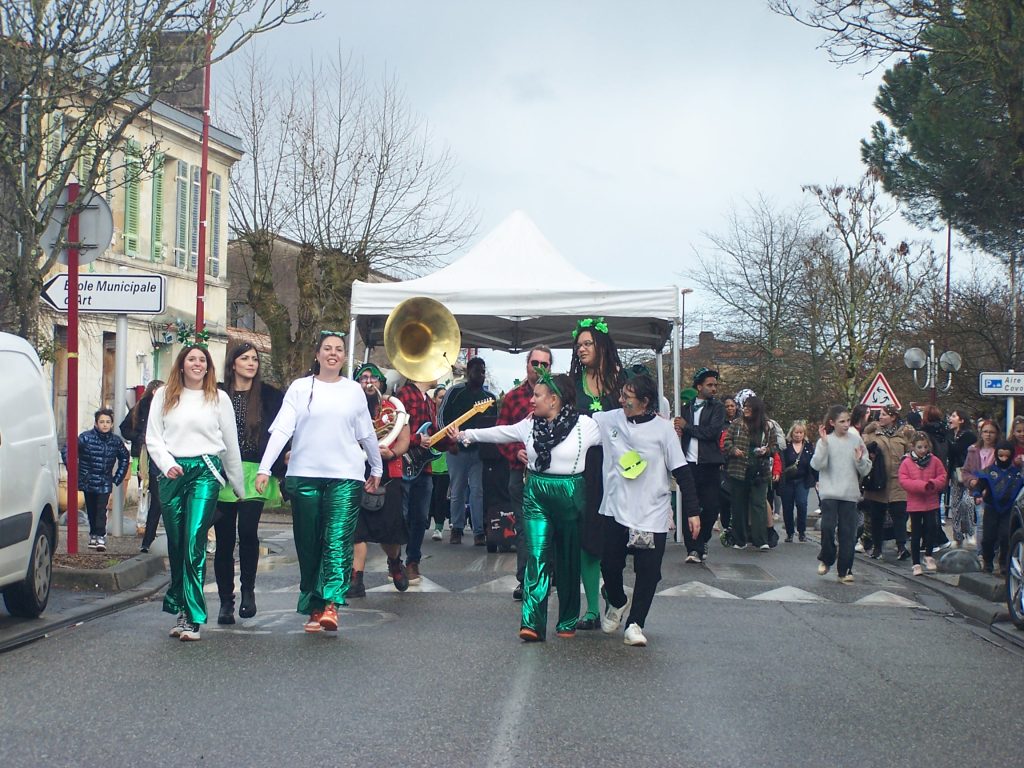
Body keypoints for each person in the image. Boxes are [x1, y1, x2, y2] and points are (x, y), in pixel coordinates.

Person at [452, 368, 600, 640]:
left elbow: (617, 432)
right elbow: (500, 432)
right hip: (536, 491)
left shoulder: (586, 425)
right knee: (536, 556)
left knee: (567, 560)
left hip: (570, 492)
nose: (532, 400)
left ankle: (566, 621)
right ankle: (531, 622)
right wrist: (465, 434)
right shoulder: (530, 424)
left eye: (538, 395)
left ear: (554, 399)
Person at [255, 332, 382, 634]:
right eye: (328, 349)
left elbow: (366, 434)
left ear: (343, 357)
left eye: (339, 350)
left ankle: (331, 604)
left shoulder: (353, 391)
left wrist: (376, 467)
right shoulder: (300, 388)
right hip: (305, 474)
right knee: (309, 542)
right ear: (317, 354)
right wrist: (264, 468)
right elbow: (283, 429)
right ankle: (314, 604)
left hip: (345, 476)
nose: (333, 354)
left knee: (337, 540)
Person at [147, 343, 245, 642]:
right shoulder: (165, 395)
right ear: (181, 364)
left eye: (202, 360)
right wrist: (166, 465)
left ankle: (193, 616)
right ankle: (180, 607)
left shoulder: (219, 398)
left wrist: (239, 486)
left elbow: (230, 442)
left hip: (206, 470)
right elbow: (153, 437)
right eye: (192, 359)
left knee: (193, 541)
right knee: (176, 544)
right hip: (172, 472)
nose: (197, 364)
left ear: (208, 366)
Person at [594, 373, 700, 647]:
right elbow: (577, 423)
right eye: (621, 395)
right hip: (616, 509)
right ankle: (617, 601)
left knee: (648, 571)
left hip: (651, 513)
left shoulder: (663, 430)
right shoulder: (610, 419)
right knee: (609, 564)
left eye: (627, 398)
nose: (620, 401)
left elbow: (682, 472)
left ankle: (635, 624)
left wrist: (692, 511)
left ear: (645, 402)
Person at [213, 343, 285, 624]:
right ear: (233, 363)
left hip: (256, 470)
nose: (251, 363)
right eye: (245, 359)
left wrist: (280, 462)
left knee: (248, 531)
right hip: (223, 471)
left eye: (255, 359)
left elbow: (281, 430)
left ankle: (248, 591)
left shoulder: (269, 395)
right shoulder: (218, 394)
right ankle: (225, 601)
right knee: (224, 539)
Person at [569, 317, 624, 630]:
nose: (582, 349)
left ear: (602, 345)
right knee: (587, 537)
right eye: (579, 345)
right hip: (586, 468)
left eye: (588, 343)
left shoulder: (622, 382)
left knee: (615, 539)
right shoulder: (574, 386)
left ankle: (612, 591)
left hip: (619, 469)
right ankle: (591, 608)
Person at [495, 346, 554, 600]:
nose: (539, 367)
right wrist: (515, 452)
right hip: (520, 473)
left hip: (552, 474)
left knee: (550, 527)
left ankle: (549, 576)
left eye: (545, 364)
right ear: (527, 365)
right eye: (535, 362)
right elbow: (500, 433)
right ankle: (526, 580)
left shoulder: (558, 395)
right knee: (524, 527)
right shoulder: (512, 398)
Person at [349, 363, 411, 597]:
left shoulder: (393, 408)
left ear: (381, 382)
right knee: (357, 529)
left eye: (373, 377)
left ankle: (395, 562)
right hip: (357, 470)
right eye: (363, 378)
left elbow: (403, 439)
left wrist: (392, 453)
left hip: (388, 473)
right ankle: (357, 579)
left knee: (389, 529)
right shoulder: (351, 408)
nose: (368, 382)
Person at [396, 375, 448, 584]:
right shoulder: (405, 394)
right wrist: (418, 440)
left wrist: (449, 437)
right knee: (403, 515)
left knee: (420, 517)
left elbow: (434, 435)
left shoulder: (428, 401)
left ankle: (413, 561)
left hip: (424, 467)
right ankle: (397, 560)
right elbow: (396, 426)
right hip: (406, 463)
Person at [439, 357, 497, 546]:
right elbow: (442, 418)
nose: (480, 375)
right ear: (468, 372)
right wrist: (449, 441)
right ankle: (456, 527)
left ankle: (479, 531)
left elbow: (492, 425)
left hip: (478, 452)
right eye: (477, 371)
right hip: (456, 450)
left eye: (483, 371)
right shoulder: (454, 392)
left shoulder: (489, 398)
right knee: (457, 490)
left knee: (477, 491)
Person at [811, 405, 872, 582]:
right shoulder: (826, 440)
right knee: (828, 527)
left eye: (847, 421)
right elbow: (816, 465)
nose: (846, 425)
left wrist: (860, 460)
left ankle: (845, 570)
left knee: (848, 533)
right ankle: (826, 558)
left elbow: (866, 468)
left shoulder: (856, 440)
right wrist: (823, 444)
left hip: (849, 493)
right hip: (829, 492)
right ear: (832, 422)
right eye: (842, 421)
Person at [673, 367, 725, 564]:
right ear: (699, 386)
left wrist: (688, 427)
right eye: (710, 385)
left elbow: (711, 432)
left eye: (715, 385)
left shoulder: (717, 408)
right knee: (689, 506)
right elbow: (681, 431)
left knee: (711, 507)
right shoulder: (685, 409)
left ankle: (702, 540)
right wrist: (678, 430)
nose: (713, 389)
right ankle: (692, 548)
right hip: (688, 464)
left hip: (710, 464)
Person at [68, 408, 130, 552]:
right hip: (88, 480)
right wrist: (73, 469)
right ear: (96, 423)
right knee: (91, 509)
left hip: (104, 480)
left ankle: (101, 536)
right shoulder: (85, 438)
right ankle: (93, 535)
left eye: (108, 422)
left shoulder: (115, 441)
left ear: (112, 424)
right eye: (102, 422)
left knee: (101, 509)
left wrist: (118, 477)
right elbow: (69, 450)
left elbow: (125, 457)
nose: (105, 425)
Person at [723, 395, 778, 550]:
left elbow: (775, 447)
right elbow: (727, 442)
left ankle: (760, 540)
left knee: (758, 504)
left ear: (756, 409)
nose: (745, 409)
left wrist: (766, 450)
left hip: (759, 471)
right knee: (738, 505)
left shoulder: (768, 427)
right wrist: (733, 450)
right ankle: (739, 540)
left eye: (749, 407)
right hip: (739, 470)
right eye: (744, 406)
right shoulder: (737, 424)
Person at [861, 405, 915, 561]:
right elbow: (862, 451)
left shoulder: (903, 435)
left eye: (884, 414)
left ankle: (901, 547)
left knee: (899, 514)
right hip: (879, 482)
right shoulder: (872, 434)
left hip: (898, 482)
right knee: (877, 516)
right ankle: (877, 548)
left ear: (893, 417)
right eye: (880, 414)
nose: (880, 417)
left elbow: (912, 453)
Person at [119, 379, 164, 543]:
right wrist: (138, 438)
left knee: (155, 495)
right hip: (143, 455)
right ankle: (142, 525)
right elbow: (124, 428)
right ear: (154, 391)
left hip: (159, 456)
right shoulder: (140, 408)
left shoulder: (165, 408)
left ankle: (148, 529)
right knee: (144, 490)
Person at [898, 432, 948, 575]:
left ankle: (928, 555)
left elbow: (942, 476)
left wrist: (933, 484)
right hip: (915, 502)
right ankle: (916, 563)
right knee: (916, 532)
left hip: (931, 501)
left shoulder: (934, 461)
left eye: (925, 447)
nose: (922, 450)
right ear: (912, 447)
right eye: (919, 447)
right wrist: (921, 486)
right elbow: (904, 480)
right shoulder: (906, 462)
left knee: (931, 528)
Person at [972, 439, 1023, 576]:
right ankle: (988, 561)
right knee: (988, 537)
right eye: (1001, 456)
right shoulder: (988, 472)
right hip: (991, 507)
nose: (1004, 459)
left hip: (1009, 509)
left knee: (1005, 536)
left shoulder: (1017, 474)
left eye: (1007, 456)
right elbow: (979, 484)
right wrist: (977, 493)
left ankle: (1003, 563)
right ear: (996, 455)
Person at [779, 420, 815, 543]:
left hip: (802, 480)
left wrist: (816, 480)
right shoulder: (786, 446)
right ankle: (789, 532)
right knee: (787, 507)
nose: (798, 435)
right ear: (792, 433)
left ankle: (802, 531)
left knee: (801, 504)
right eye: (796, 432)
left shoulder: (809, 447)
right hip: (788, 480)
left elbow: (813, 463)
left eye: (800, 432)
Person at [946, 408, 978, 546]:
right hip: (954, 473)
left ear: (962, 420)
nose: (950, 419)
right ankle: (957, 536)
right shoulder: (950, 434)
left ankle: (970, 532)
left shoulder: (968, 436)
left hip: (969, 473)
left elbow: (957, 450)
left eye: (953, 416)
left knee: (967, 502)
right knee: (955, 505)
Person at [427, 386, 449, 542]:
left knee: (440, 497)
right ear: (434, 399)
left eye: (445, 397)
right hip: (427, 463)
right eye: (440, 397)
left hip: (444, 464)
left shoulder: (450, 416)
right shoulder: (428, 414)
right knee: (427, 498)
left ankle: (439, 527)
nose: (442, 400)